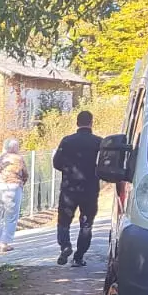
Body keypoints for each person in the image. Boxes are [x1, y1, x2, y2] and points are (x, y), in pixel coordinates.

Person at [52, 109, 103, 267]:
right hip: (90, 189)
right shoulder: (99, 142)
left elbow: (56, 163)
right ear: (91, 122)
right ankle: (78, 257)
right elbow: (103, 165)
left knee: (64, 221)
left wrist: (68, 171)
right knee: (86, 223)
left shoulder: (67, 141)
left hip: (69, 189)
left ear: (77, 123)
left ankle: (65, 246)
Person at [0, 138, 25, 253]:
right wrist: (22, 183)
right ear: (14, 148)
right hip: (13, 187)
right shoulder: (18, 159)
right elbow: (25, 174)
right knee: (11, 216)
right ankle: (4, 243)